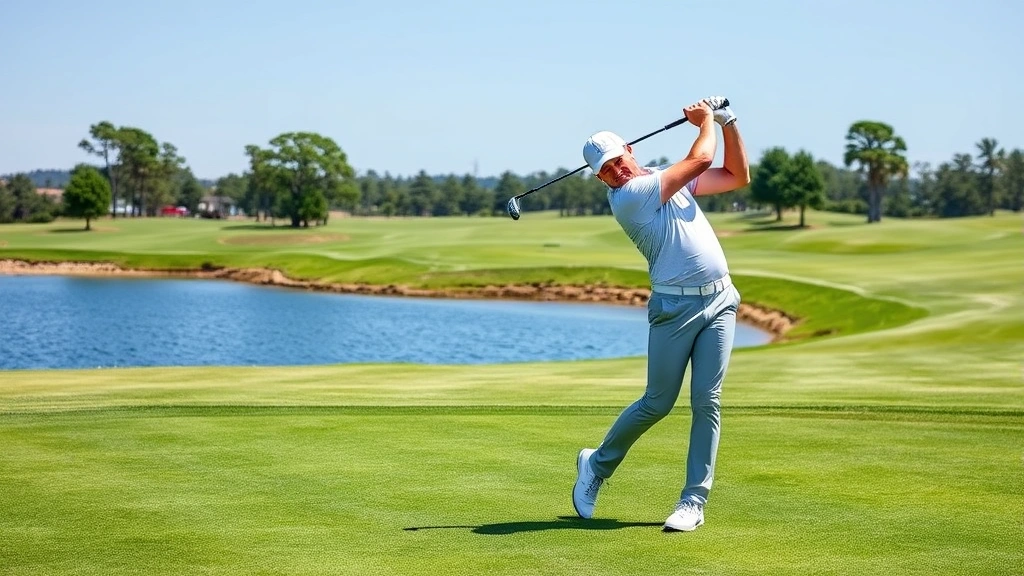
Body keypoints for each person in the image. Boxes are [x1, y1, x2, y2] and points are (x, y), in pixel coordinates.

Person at [572, 97, 750, 532]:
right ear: (600, 179)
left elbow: (735, 176)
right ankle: (597, 464)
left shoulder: (663, 177)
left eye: (618, 160)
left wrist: (728, 122)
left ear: (630, 150)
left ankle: (693, 502)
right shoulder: (629, 197)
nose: (616, 171)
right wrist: (705, 121)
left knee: (707, 400)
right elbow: (701, 158)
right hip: (674, 308)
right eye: (606, 170)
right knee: (657, 403)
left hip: (720, 301)